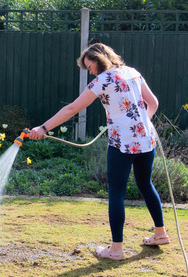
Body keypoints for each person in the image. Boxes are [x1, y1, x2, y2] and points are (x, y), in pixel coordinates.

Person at [29, 42, 169, 261]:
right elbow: (153, 103)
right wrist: (142, 124)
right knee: (145, 183)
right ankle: (160, 234)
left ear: (98, 59)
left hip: (122, 143)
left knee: (117, 192)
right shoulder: (133, 73)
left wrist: (43, 128)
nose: (90, 71)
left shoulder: (102, 80)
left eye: (90, 66)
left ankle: (116, 249)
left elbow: (72, 108)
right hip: (146, 140)